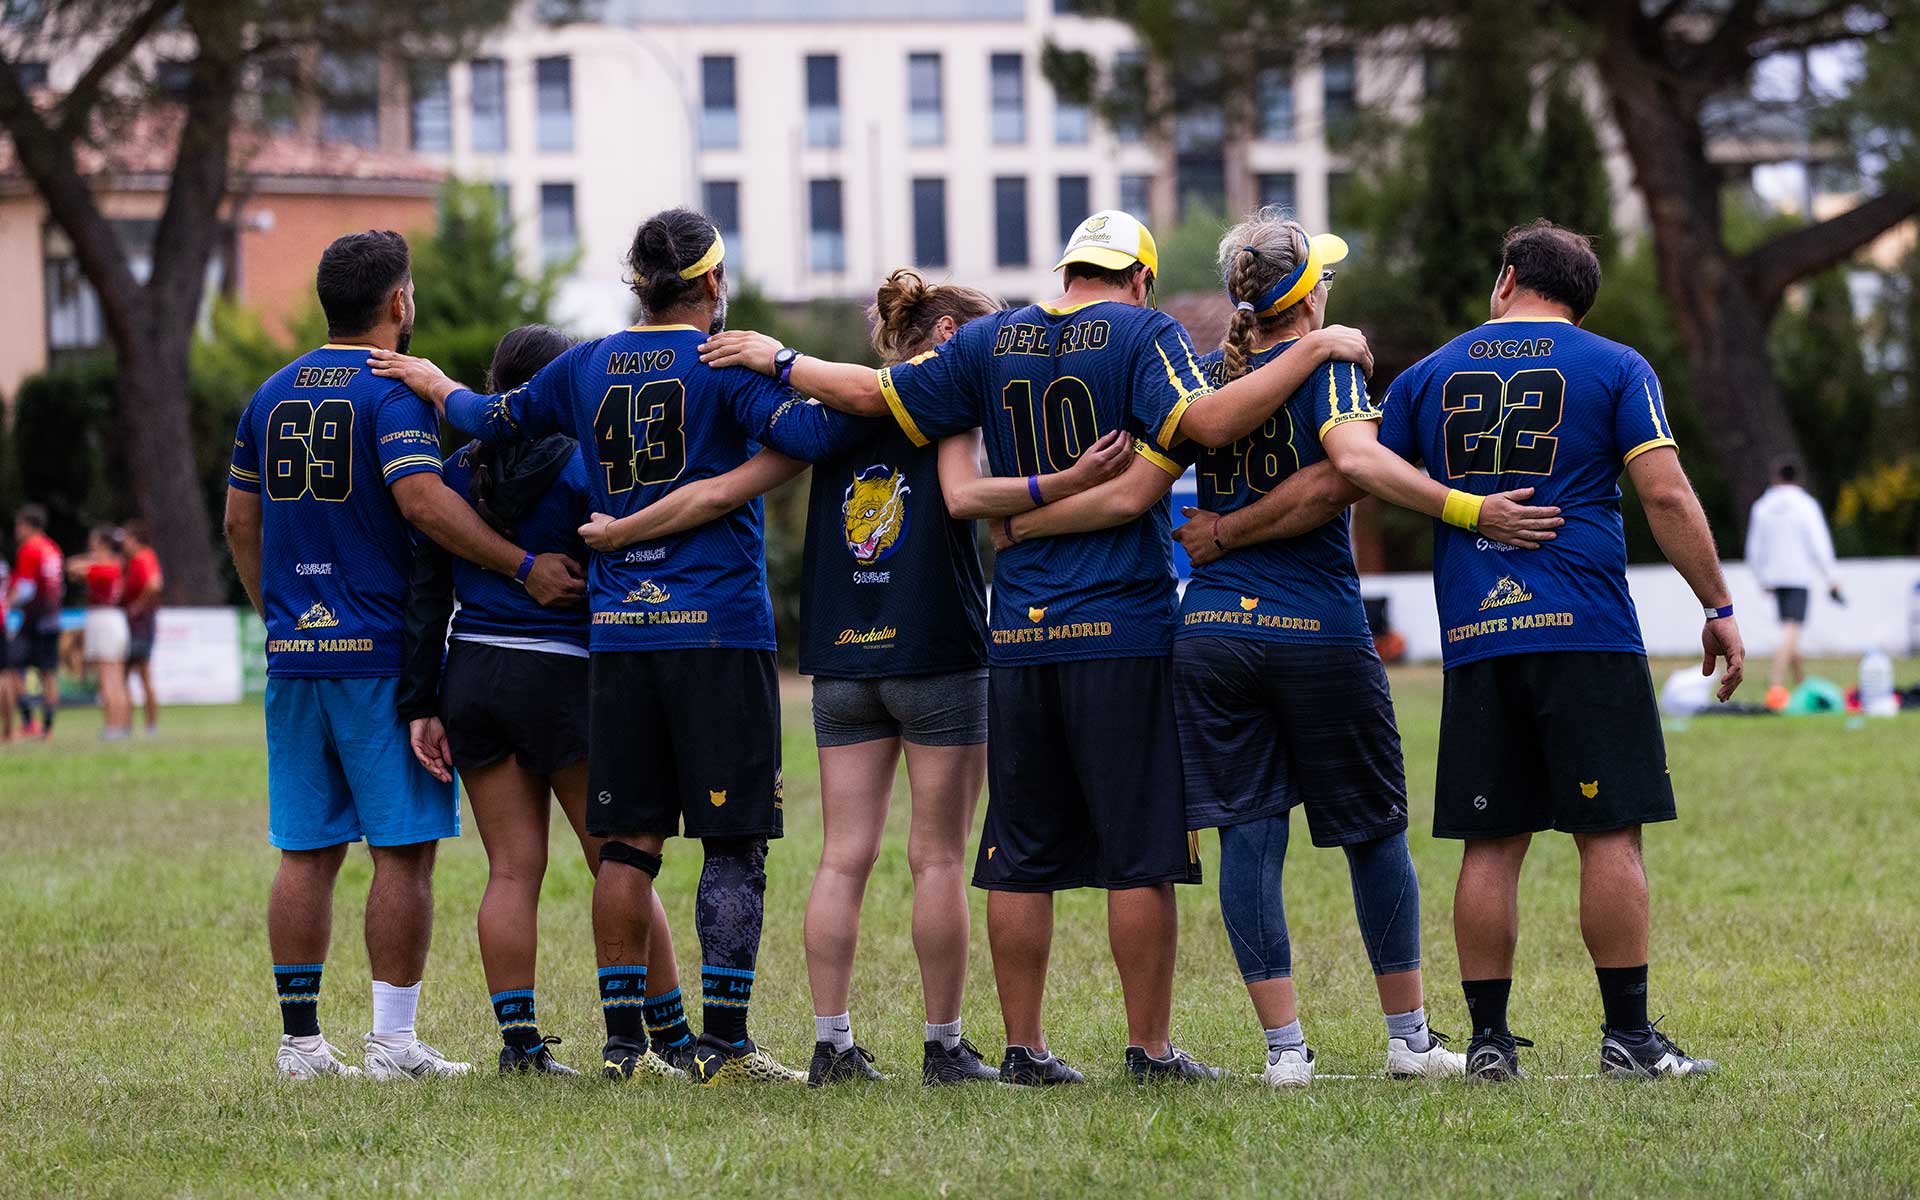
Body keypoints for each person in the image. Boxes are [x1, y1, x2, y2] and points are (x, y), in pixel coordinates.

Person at [701, 209, 1449, 1084]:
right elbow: (1200, 434)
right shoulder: (1146, 335)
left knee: (1020, 857)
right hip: (1122, 627)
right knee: (1140, 856)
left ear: (1066, 271)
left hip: (1020, 633)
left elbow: (873, 393)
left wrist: (782, 359)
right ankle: (1151, 1050)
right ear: (1140, 278)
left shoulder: (993, 338)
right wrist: (1316, 349)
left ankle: (1024, 1048)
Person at [582, 270, 1130, 1087]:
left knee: (842, 858)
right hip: (936, 651)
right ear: (948, 338)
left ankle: (831, 1044)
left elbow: (727, 486)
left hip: (840, 655)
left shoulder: (826, 414)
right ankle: (943, 1047)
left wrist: (624, 529)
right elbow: (970, 498)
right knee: (936, 858)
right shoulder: (946, 406)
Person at [371, 208, 858, 1087]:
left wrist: (436, 383)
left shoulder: (584, 365)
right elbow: (824, 433)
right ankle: (724, 1046)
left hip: (620, 636)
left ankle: (625, 1048)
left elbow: (487, 416)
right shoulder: (724, 363)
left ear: (638, 284)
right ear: (714, 281)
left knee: (627, 846)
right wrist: (781, 367)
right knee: (733, 844)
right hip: (716, 630)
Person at [1040, 212, 1479, 1086]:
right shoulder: (1332, 364)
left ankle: (1285, 1053)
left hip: (1211, 632)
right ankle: (1409, 1040)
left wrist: (1023, 520)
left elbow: (1137, 490)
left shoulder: (1209, 379)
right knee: (1374, 831)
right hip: (1316, 626)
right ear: (1309, 298)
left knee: (1247, 836)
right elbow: (1347, 471)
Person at [1318, 219, 1742, 1080]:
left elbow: (1351, 478)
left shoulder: (1429, 374)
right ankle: (1629, 1039)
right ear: (1580, 300)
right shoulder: (1616, 367)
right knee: (1609, 834)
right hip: (1586, 630)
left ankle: (1487, 1043)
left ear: (1508, 278)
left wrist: (1231, 531)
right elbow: (1663, 493)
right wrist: (1717, 604)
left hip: (1477, 639)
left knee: (1491, 841)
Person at [225, 230, 585, 1082]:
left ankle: (301, 1046)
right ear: (398, 302)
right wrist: (523, 566)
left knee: (306, 850)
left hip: (297, 657)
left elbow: (241, 522)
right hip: (380, 655)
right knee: (404, 850)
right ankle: (391, 1043)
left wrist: (281, 620)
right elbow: (422, 501)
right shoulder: (393, 394)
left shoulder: (268, 396)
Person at [399, 324, 697, 1079]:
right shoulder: (588, 465)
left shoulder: (455, 471)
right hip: (565, 678)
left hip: (472, 675)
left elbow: (425, 594)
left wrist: (421, 699)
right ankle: (670, 1038)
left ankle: (520, 1046)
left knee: (510, 870)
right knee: (621, 862)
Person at [1745, 459, 1843, 709]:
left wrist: (1761, 577)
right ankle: (1775, 682)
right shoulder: (1806, 505)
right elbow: (1819, 543)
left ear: (1775, 478)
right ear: (1798, 479)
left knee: (1790, 633)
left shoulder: (1762, 507)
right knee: (1792, 630)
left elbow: (1754, 547)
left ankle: (1801, 684)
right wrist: (1832, 578)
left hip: (1773, 577)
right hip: (1798, 575)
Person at [69, 525, 133, 739]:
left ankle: (112, 726)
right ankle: (121, 725)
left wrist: (93, 559)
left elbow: (74, 568)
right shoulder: (117, 565)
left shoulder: (105, 567)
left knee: (107, 677)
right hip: (114, 620)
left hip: (103, 620)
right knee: (117, 677)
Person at [9, 504, 65, 739]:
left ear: (27, 525)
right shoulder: (52, 548)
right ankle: (48, 728)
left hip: (33, 619)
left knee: (10, 666)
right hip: (53, 618)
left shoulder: (30, 549)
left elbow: (26, 588)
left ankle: (28, 721)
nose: (16, 531)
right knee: (48, 673)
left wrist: (7, 603)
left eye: (18, 526)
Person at [121, 519, 164, 735]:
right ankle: (133, 725)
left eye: (126, 540)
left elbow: (154, 584)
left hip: (140, 623)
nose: (124, 545)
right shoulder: (137, 560)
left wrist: (138, 605)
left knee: (136, 673)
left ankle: (143, 725)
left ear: (135, 540)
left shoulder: (143, 558)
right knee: (128, 674)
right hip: (139, 623)